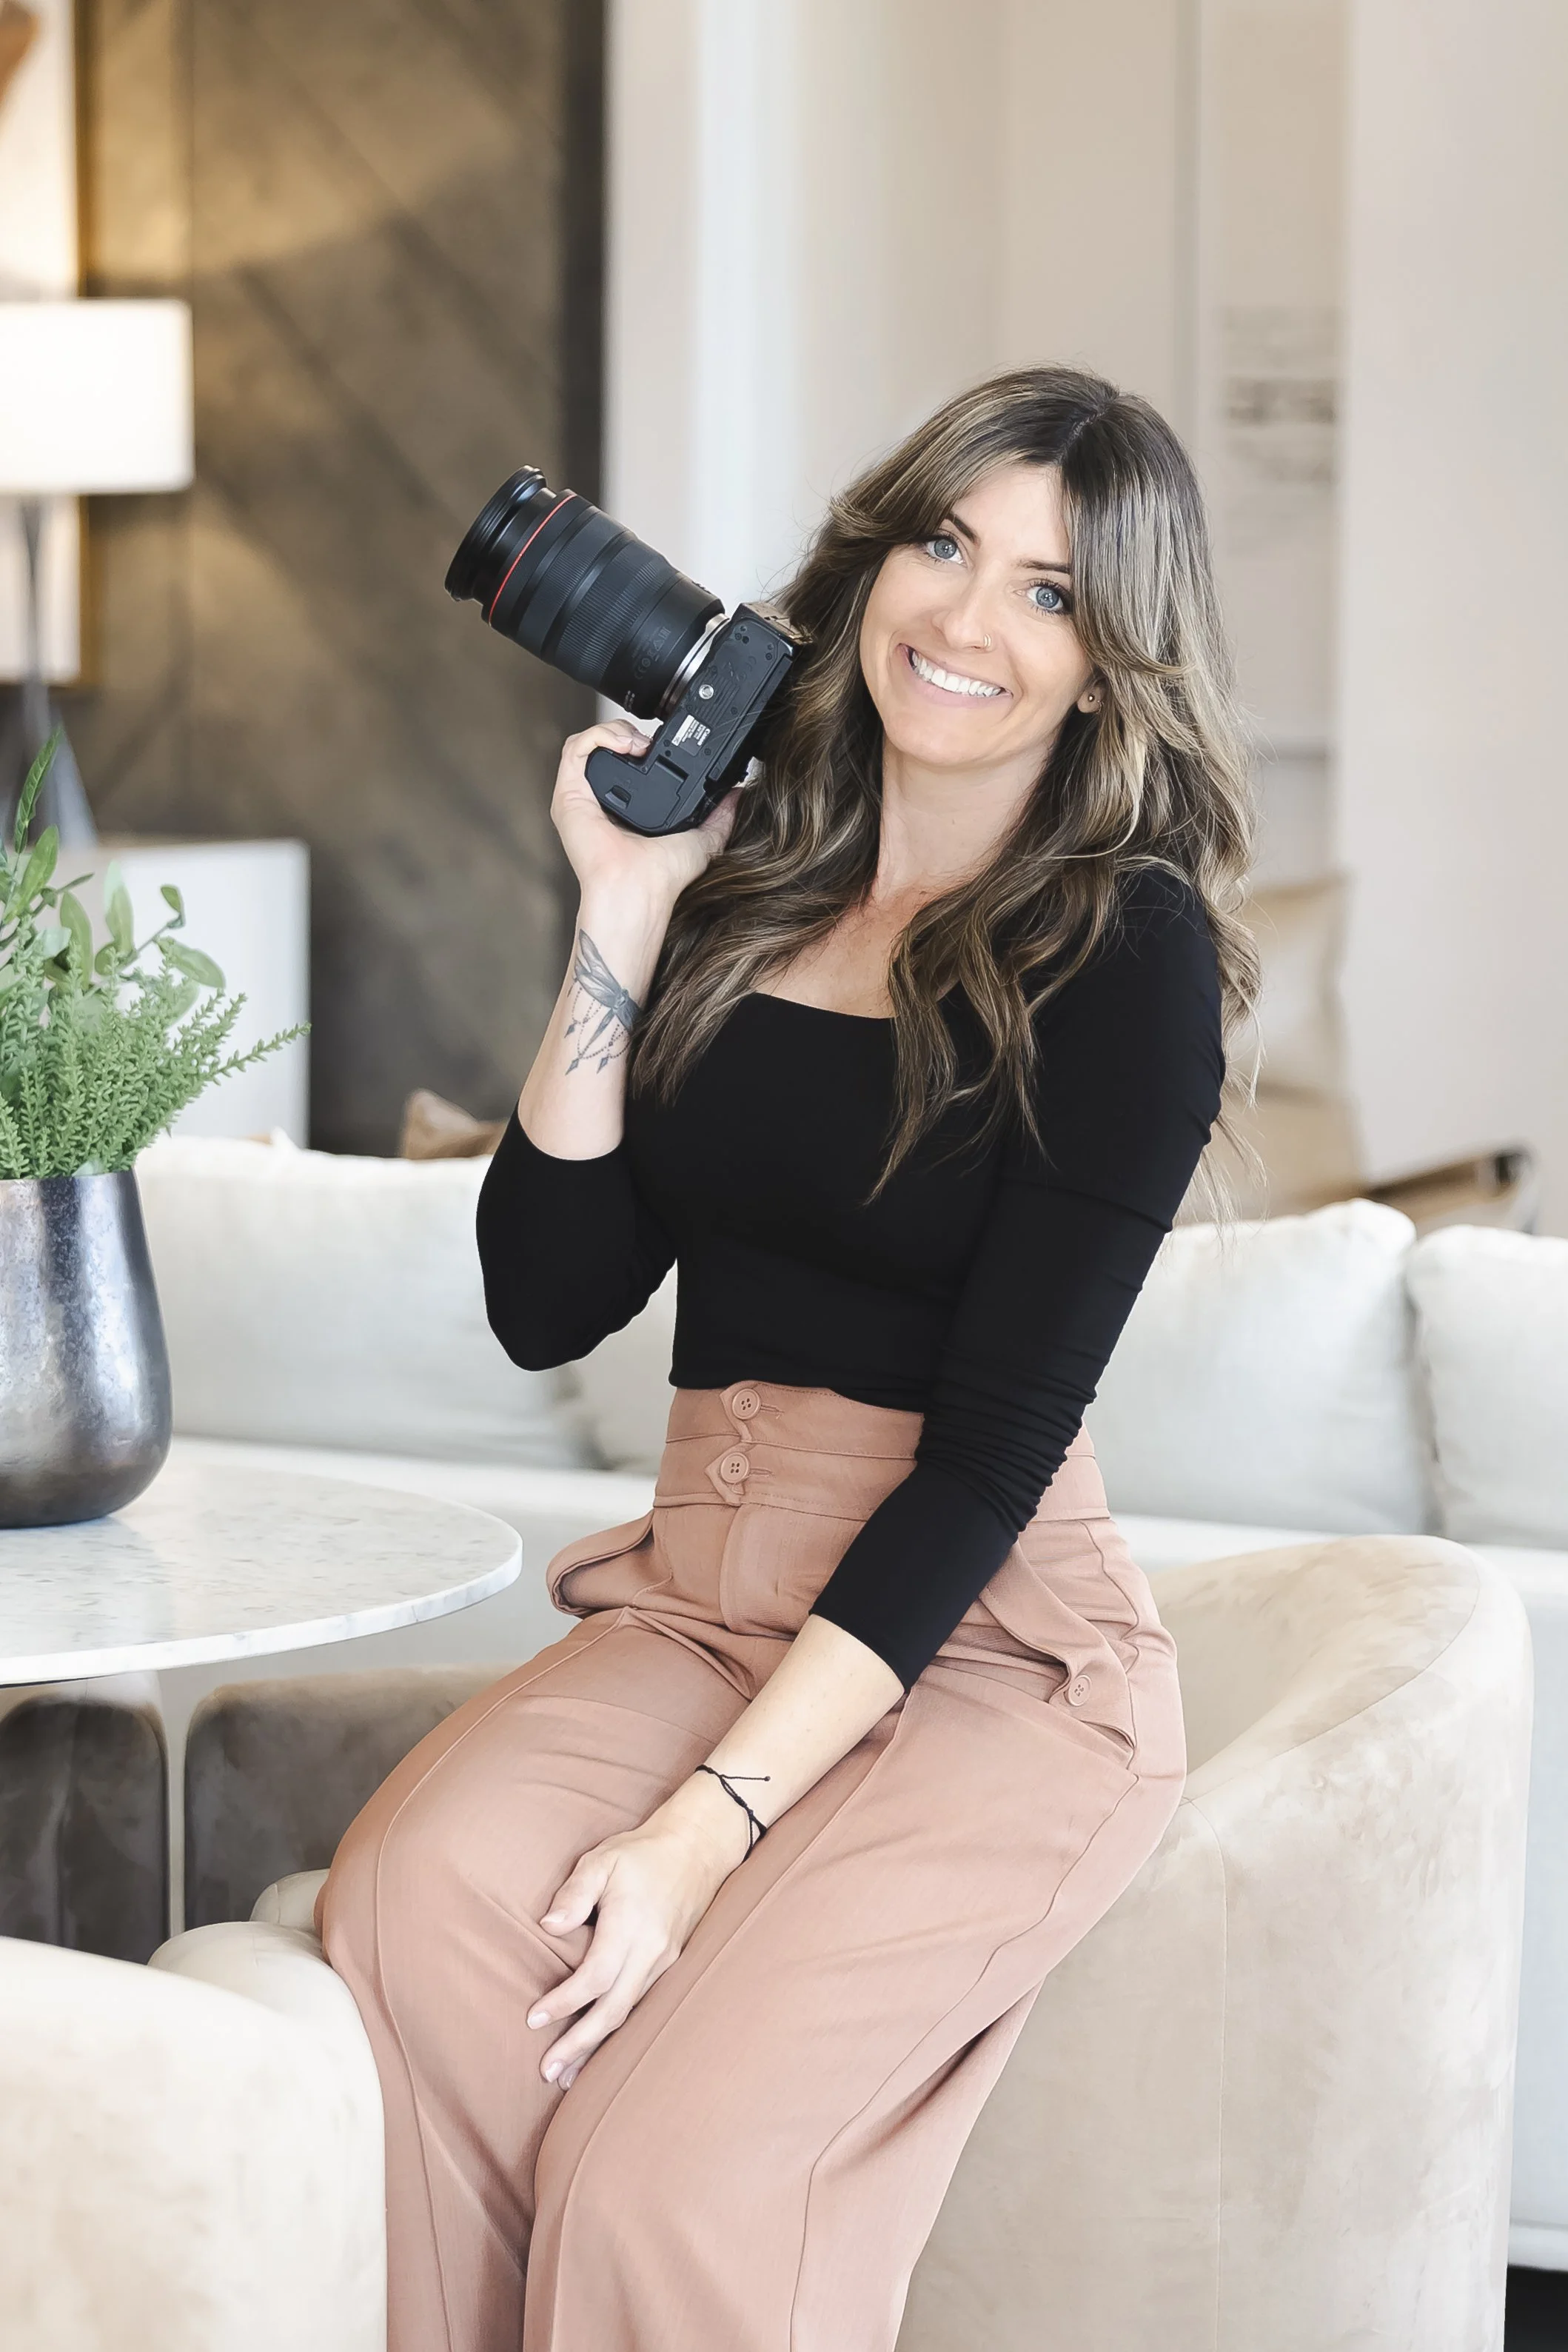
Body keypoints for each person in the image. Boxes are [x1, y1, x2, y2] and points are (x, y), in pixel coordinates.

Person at [318, 364, 1259, 2352]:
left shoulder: (1121, 947)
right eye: (940, 545)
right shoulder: (751, 896)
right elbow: (544, 1297)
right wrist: (623, 913)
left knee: (674, 2182)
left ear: (1105, 668)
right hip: (696, 1597)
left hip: (979, 1643)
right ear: (867, 563)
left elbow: (987, 1462)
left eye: (1048, 593)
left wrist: (694, 1832)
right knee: (409, 1911)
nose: (965, 619)